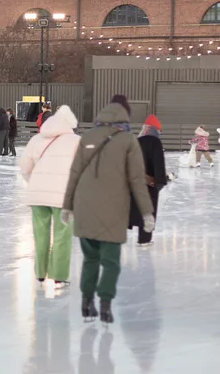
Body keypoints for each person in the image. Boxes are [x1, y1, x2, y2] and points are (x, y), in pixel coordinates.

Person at [62, 95, 155, 324]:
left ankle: (86, 303)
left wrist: (67, 206)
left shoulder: (87, 137)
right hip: (113, 210)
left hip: (84, 206)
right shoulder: (128, 141)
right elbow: (137, 180)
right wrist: (147, 212)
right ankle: (105, 305)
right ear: (126, 114)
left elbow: (74, 173)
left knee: (90, 259)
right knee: (111, 262)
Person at [19, 105, 80, 289]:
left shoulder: (36, 139)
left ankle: (40, 273)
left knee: (40, 234)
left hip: (37, 195)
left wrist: (35, 184)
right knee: (62, 235)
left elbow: (25, 167)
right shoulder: (76, 141)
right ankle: (59, 276)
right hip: (64, 196)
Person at [129, 115, 168, 247]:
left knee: (138, 208)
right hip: (150, 183)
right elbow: (158, 163)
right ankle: (144, 239)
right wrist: (160, 181)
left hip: (136, 181)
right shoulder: (155, 142)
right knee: (148, 210)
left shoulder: (137, 140)